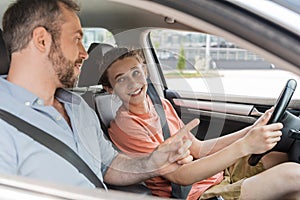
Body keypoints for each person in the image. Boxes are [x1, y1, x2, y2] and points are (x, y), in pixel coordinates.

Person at [0, 0, 200, 191]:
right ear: (42, 40)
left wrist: (153, 162)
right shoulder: (5, 122)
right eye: (77, 39)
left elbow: (109, 165)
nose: (84, 54)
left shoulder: (76, 105)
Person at [99, 47, 300, 200]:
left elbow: (198, 148)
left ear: (145, 71)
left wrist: (252, 129)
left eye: (135, 72)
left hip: (216, 176)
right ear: (110, 89)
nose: (133, 83)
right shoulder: (127, 127)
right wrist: (245, 145)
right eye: (121, 80)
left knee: (281, 158)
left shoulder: (160, 105)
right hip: (197, 194)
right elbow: (180, 177)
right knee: (293, 175)